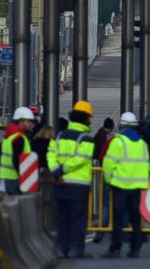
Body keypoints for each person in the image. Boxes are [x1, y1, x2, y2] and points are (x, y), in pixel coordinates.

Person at [48, 100, 97, 260]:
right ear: (85, 118)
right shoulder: (87, 139)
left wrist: (56, 172)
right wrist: (63, 170)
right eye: (89, 117)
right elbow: (81, 159)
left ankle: (62, 250)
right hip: (78, 186)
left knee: (61, 221)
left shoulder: (60, 136)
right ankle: (76, 250)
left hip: (59, 185)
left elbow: (50, 154)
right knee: (78, 221)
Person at [101, 112, 150, 259]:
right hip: (136, 187)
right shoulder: (142, 143)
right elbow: (146, 163)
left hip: (120, 185)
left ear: (121, 125)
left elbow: (108, 164)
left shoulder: (118, 142)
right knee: (135, 218)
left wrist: (109, 180)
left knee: (118, 219)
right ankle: (135, 247)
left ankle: (115, 248)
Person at [0, 106, 37, 196]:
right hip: (17, 178)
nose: (31, 124)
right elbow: (17, 160)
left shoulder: (9, 136)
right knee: (21, 206)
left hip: (8, 177)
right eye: (29, 121)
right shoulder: (18, 138)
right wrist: (26, 177)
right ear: (21, 121)